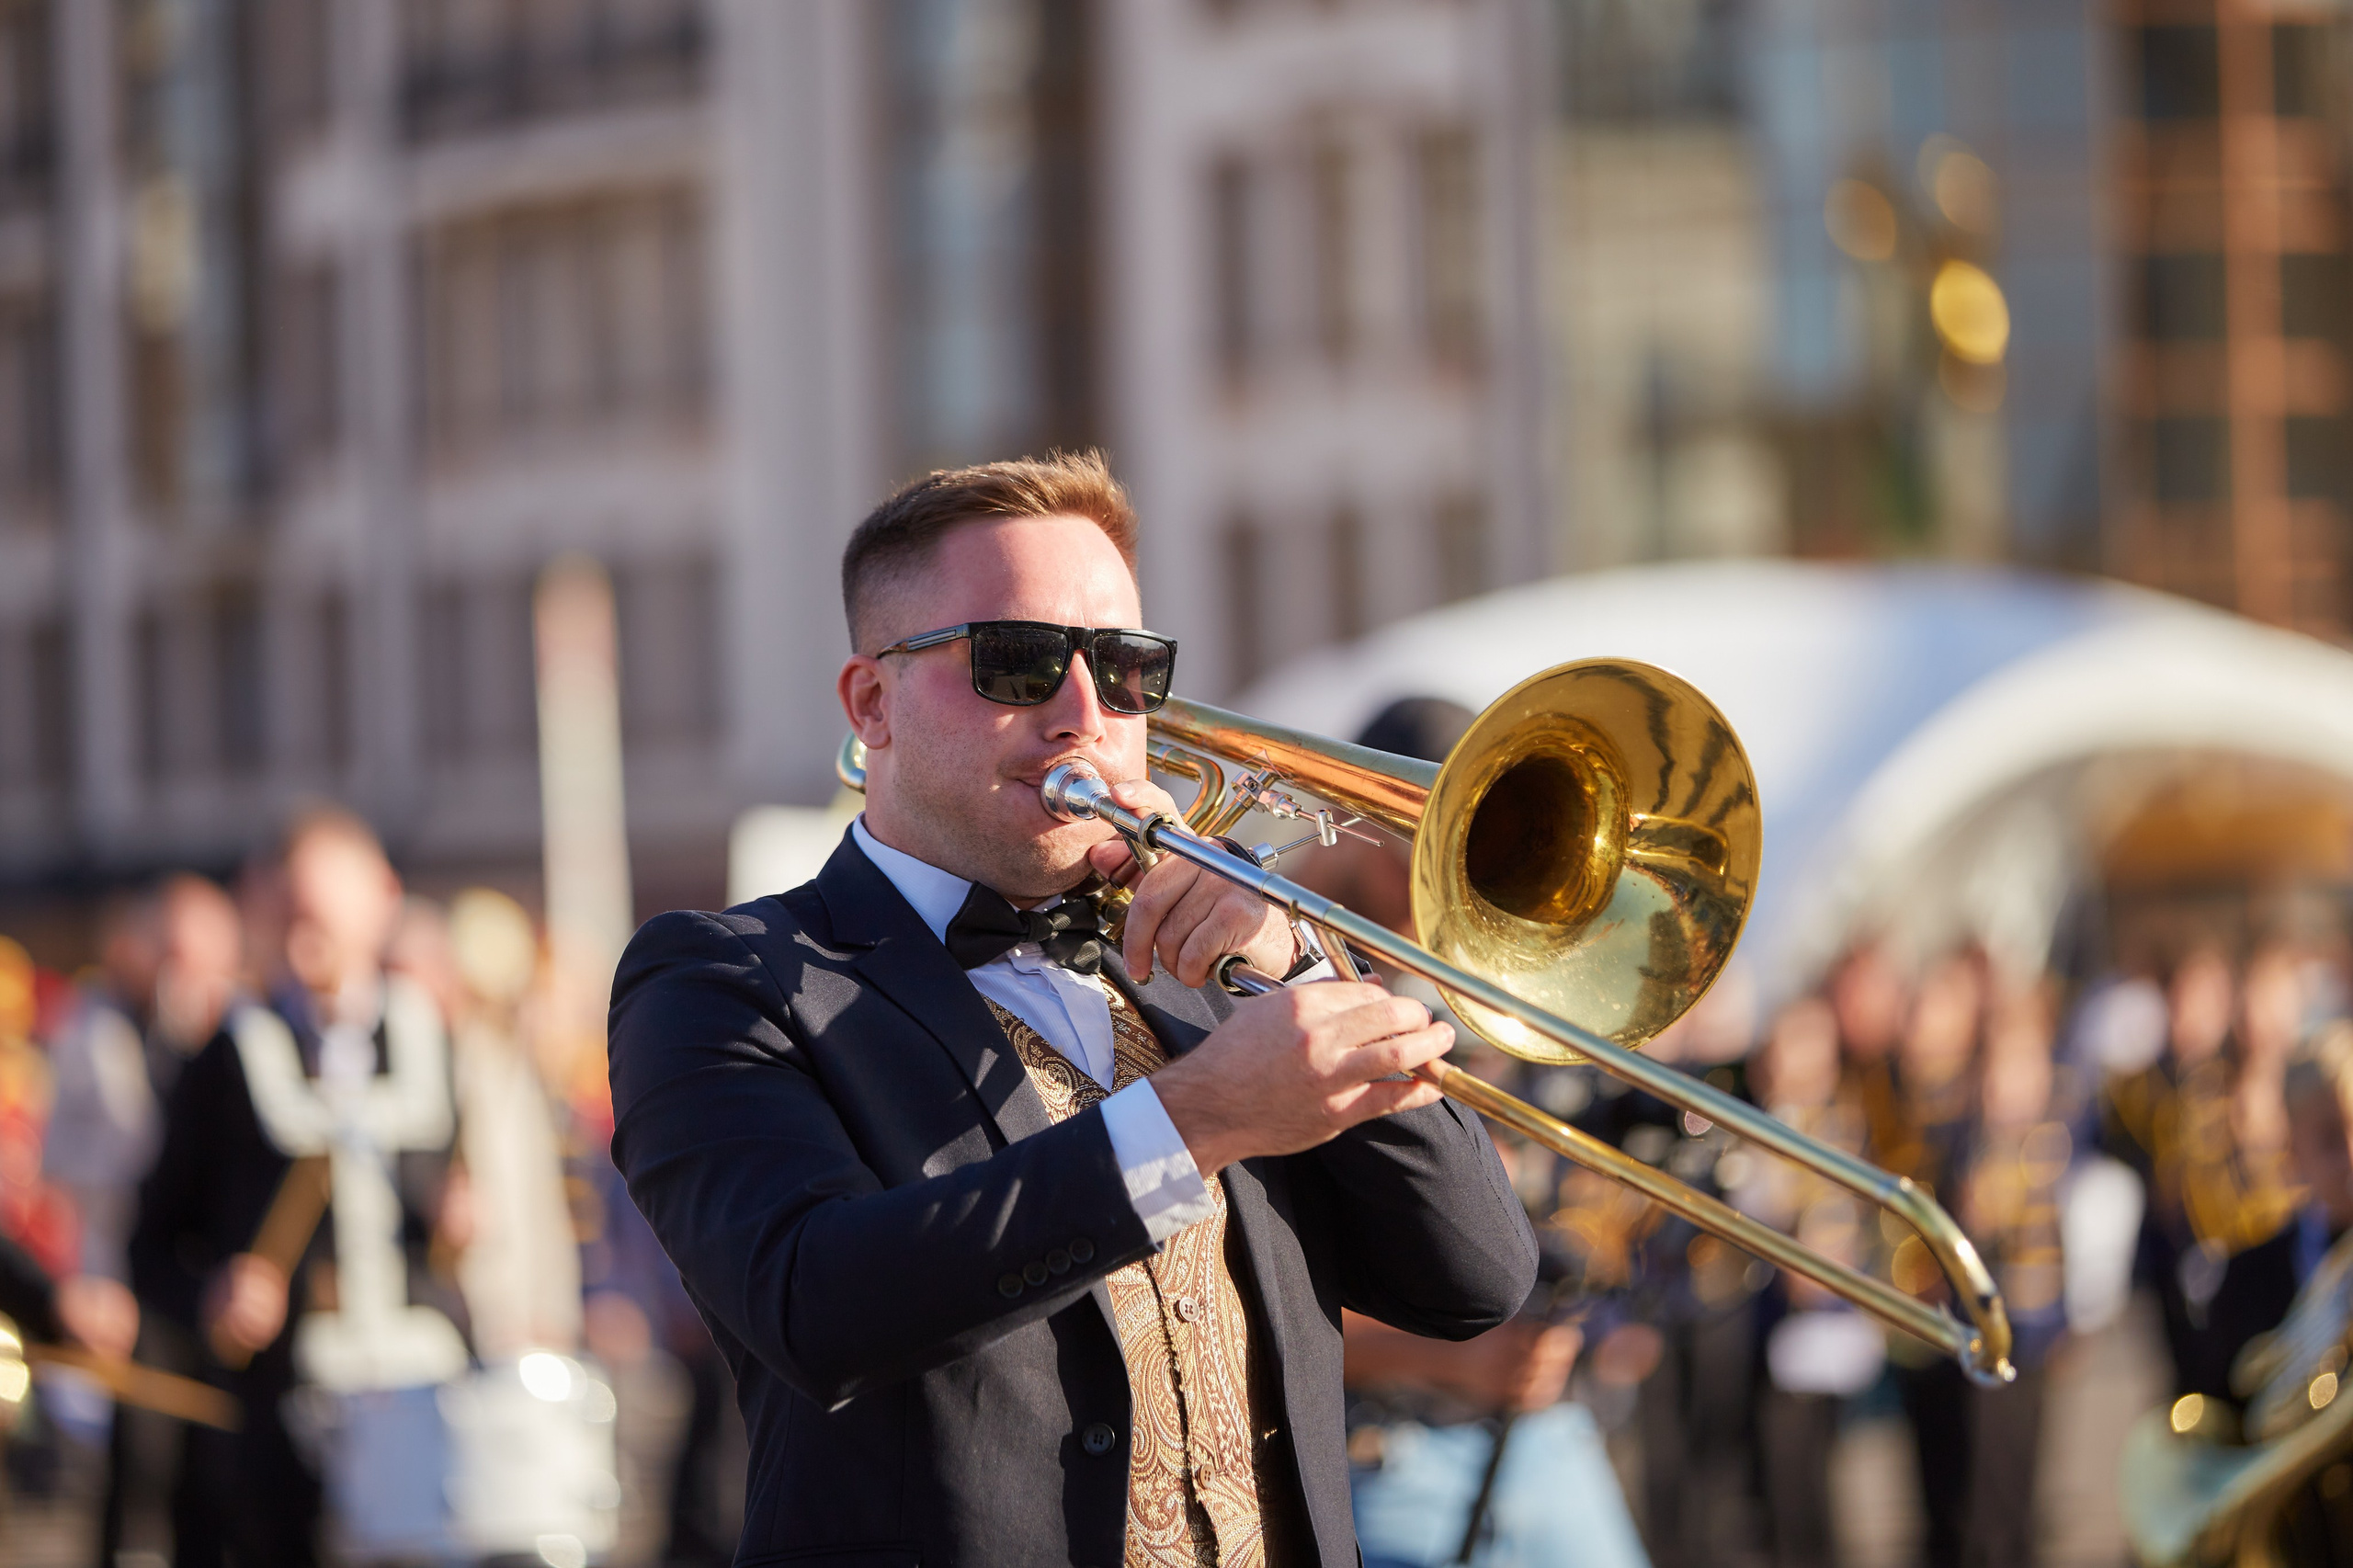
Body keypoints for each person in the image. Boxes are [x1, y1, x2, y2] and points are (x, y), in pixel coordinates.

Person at [608, 452, 1537, 1567]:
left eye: (1127, 667)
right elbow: (814, 1298)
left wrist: (1296, 962)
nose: (1086, 712)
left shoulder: (1219, 960)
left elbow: (1477, 1274)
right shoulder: (725, 975)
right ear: (872, 702)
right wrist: (1195, 1118)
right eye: (1017, 662)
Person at [131, 807, 464, 1567]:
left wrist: (457, 1227)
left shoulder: (429, 1035)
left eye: (320, 914)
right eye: (288, 914)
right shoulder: (225, 1054)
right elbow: (150, 1243)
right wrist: (215, 1293)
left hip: (418, 1391)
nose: (305, 935)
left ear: (379, 903)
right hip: (285, 1413)